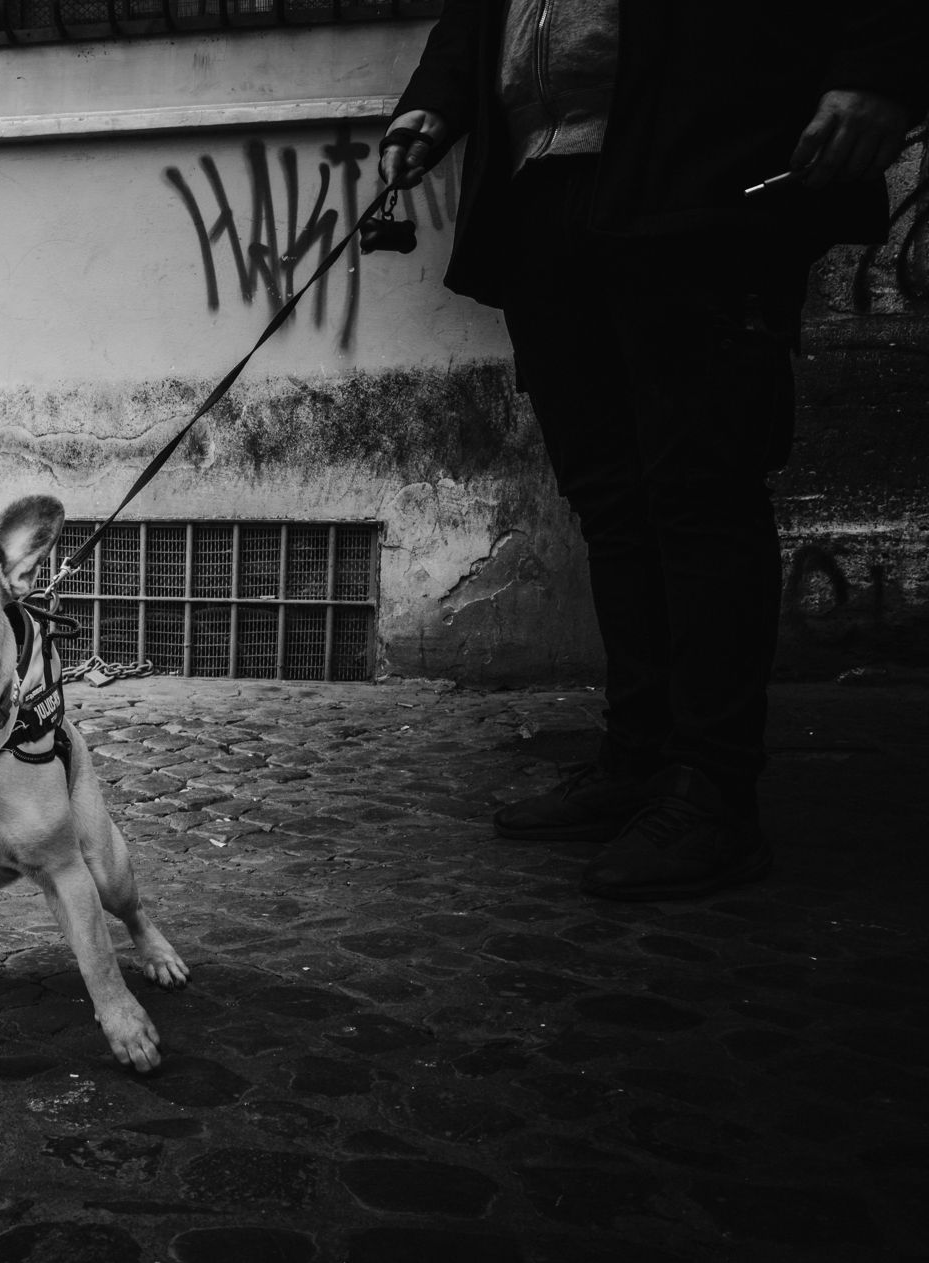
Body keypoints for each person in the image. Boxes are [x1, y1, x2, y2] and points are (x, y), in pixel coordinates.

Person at [378, 1, 925, 900]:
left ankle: (711, 792)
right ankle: (638, 759)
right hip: (541, 197)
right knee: (612, 502)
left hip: (697, 178)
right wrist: (435, 103)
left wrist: (884, 69)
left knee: (700, 493)